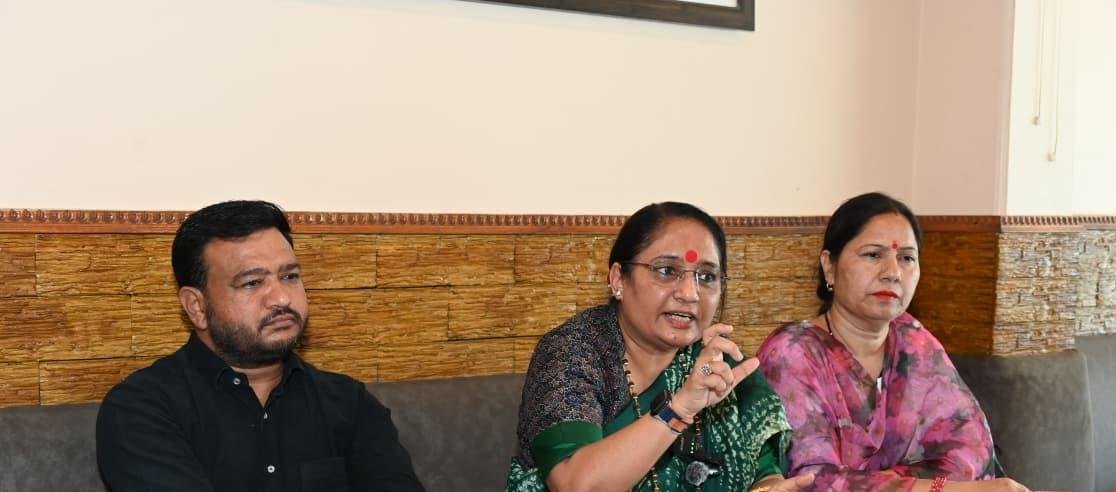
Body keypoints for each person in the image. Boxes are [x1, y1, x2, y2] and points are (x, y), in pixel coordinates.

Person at [96, 200, 425, 492]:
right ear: (196, 306)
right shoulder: (142, 409)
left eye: (290, 277)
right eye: (252, 283)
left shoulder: (349, 403)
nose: (281, 298)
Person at [506, 202, 815, 492]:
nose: (690, 293)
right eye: (667, 271)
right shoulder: (573, 352)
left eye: (707, 276)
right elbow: (576, 483)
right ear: (618, 279)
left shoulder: (721, 365)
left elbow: (764, 472)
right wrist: (679, 409)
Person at [757, 192, 1029, 492]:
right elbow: (815, 481)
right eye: (873, 255)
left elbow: (971, 449)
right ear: (829, 266)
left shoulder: (912, 340)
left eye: (906, 258)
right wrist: (943, 490)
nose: (893, 273)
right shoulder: (791, 353)